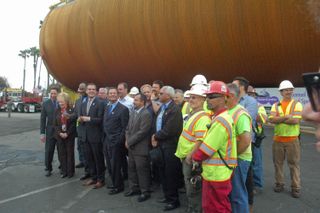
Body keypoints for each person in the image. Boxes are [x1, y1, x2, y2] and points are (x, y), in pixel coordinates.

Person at [192, 81, 237, 213]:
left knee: (217, 208)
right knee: (212, 206)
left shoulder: (221, 120)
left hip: (217, 174)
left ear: (224, 98)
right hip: (216, 173)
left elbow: (206, 149)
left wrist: (193, 158)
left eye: (212, 97)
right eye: (207, 97)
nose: (208, 100)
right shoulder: (220, 117)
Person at [175, 84, 211, 213]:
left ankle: (195, 210)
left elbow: (200, 141)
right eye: (190, 97)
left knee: (193, 189)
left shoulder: (202, 117)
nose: (191, 100)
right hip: (186, 156)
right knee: (190, 187)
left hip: (191, 159)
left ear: (203, 100)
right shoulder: (193, 114)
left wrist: (191, 156)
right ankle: (192, 208)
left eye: (194, 98)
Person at [268, 80, 303, 198]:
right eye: (286, 90)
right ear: (281, 92)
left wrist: (279, 119)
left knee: (294, 164)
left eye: (290, 89)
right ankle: (279, 184)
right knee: (278, 164)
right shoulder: (275, 105)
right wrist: (286, 117)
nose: (289, 91)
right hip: (278, 140)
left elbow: (295, 121)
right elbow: (271, 120)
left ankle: (296, 188)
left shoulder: (297, 104)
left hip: (292, 140)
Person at [151, 86, 183, 211]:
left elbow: (170, 130)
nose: (159, 94)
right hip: (161, 145)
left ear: (168, 96)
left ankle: (174, 200)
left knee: (170, 173)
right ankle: (167, 196)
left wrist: (155, 136)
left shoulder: (174, 109)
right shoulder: (163, 108)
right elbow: (157, 123)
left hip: (170, 146)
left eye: (161, 93)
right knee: (162, 172)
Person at [226, 83, 252, 213]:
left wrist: (233, 158)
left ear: (230, 96)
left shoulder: (240, 114)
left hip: (239, 159)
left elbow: (246, 141)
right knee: (233, 193)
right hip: (232, 159)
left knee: (238, 194)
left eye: (222, 95)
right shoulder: (228, 111)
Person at [125, 93, 152, 202]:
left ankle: (145, 192)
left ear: (142, 102)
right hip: (131, 147)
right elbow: (127, 128)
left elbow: (143, 132)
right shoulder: (133, 112)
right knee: (131, 168)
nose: (133, 102)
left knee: (142, 171)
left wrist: (129, 141)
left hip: (140, 148)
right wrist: (127, 140)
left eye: (136, 100)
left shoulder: (146, 114)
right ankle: (134, 188)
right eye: (134, 100)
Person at [79, 83, 106, 189]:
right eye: (89, 89)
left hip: (96, 136)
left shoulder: (100, 103)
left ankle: (101, 179)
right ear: (86, 91)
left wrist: (88, 119)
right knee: (89, 159)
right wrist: (80, 119)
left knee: (98, 159)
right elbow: (81, 116)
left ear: (96, 91)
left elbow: (101, 120)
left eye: (93, 89)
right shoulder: (83, 102)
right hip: (85, 136)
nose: (91, 91)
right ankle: (94, 177)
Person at [103, 87, 129, 195]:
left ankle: (118, 186)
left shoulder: (123, 109)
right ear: (108, 95)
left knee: (116, 165)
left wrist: (119, 141)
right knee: (109, 164)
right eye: (110, 93)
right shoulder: (107, 107)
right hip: (107, 141)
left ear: (118, 95)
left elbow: (125, 128)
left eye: (114, 93)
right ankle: (114, 183)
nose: (112, 95)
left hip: (116, 142)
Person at [54, 92, 76, 178]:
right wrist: (60, 133)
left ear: (66, 101)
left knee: (70, 154)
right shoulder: (57, 111)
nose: (60, 103)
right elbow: (54, 125)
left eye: (62, 101)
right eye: (59, 102)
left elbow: (73, 124)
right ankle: (64, 171)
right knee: (61, 153)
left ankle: (70, 172)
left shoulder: (71, 110)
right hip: (60, 136)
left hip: (69, 135)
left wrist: (67, 133)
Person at [40, 86, 60, 177]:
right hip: (50, 131)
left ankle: (63, 167)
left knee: (61, 150)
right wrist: (42, 133)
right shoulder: (46, 104)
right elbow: (43, 119)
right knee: (49, 150)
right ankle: (48, 168)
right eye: (51, 93)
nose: (53, 95)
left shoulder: (61, 102)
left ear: (57, 94)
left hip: (60, 130)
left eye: (54, 93)